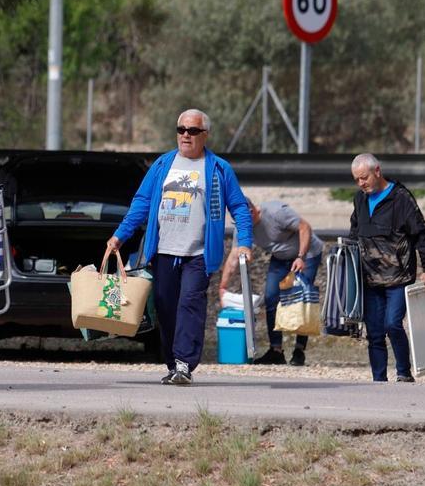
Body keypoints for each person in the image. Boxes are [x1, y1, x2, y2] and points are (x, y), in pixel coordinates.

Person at [106, 109, 254, 385]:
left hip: (198, 253)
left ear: (205, 135)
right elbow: (141, 203)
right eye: (181, 130)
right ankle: (174, 364)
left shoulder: (219, 169)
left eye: (193, 131)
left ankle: (185, 364)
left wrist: (244, 242)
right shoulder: (162, 165)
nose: (186, 135)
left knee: (189, 304)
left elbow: (240, 209)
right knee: (165, 307)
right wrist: (120, 236)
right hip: (163, 252)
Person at [349, 153, 425, 383]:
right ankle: (379, 381)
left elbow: (422, 233)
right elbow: (354, 233)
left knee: (392, 324)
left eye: (364, 178)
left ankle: (403, 373)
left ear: (377, 171)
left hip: (398, 278)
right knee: (375, 333)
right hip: (369, 279)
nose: (361, 184)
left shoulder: (401, 198)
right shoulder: (359, 199)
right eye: (357, 179)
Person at [218, 200, 324, 366]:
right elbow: (234, 255)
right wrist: (222, 286)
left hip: (307, 252)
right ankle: (276, 350)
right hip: (281, 256)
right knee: (270, 297)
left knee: (303, 299)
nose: (241, 224)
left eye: (243, 219)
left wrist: (301, 257)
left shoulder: (276, 212)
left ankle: (299, 350)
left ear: (253, 212)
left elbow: (305, 227)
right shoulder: (242, 227)